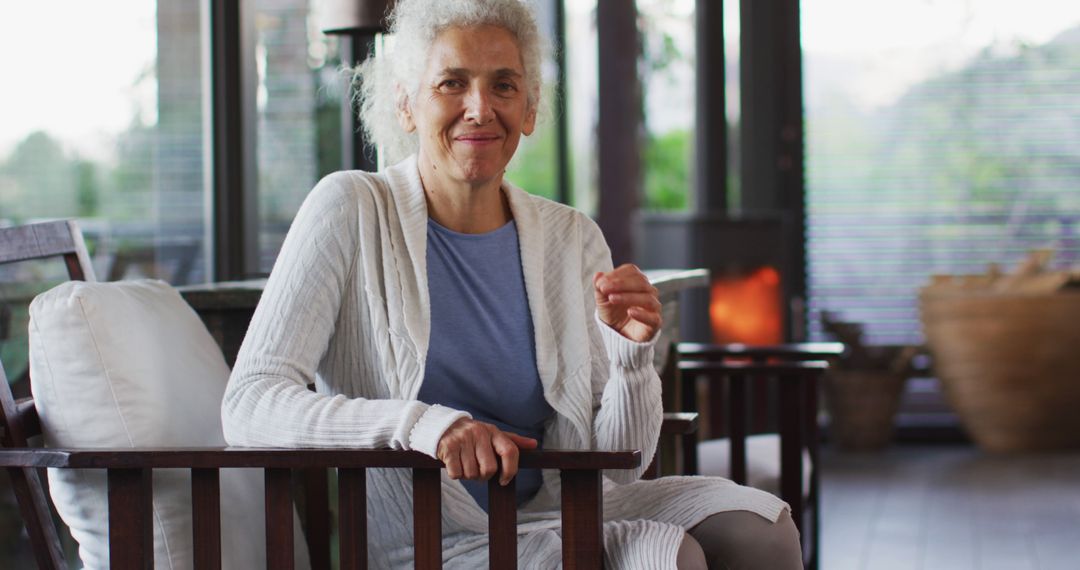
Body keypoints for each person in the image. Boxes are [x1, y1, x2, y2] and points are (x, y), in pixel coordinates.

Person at [222, 0, 802, 567]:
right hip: (429, 537)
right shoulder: (349, 208)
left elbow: (617, 466)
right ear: (406, 104)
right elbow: (249, 403)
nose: (479, 108)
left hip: (561, 507)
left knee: (765, 531)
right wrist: (421, 425)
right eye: (452, 82)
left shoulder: (571, 236)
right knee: (671, 555)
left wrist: (630, 359)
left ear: (528, 109)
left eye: (503, 85)